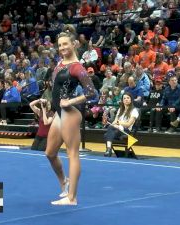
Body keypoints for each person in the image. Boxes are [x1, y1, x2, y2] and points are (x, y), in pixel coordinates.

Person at [46, 27, 96, 206]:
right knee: (50, 153)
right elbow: (56, 90)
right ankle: (64, 183)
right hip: (59, 114)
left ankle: (72, 198)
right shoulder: (61, 63)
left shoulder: (77, 67)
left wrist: (71, 101)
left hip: (69, 114)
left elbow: (91, 93)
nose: (62, 47)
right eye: (59, 45)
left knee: (72, 154)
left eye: (65, 44)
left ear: (74, 44)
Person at [104, 92, 139, 157]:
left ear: (131, 99)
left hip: (126, 131)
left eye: (128, 98)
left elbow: (128, 124)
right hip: (118, 129)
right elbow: (115, 121)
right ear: (122, 101)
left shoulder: (134, 111)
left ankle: (108, 150)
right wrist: (109, 123)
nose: (126, 99)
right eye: (124, 98)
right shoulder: (120, 109)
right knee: (110, 128)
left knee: (107, 134)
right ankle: (109, 149)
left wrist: (119, 123)